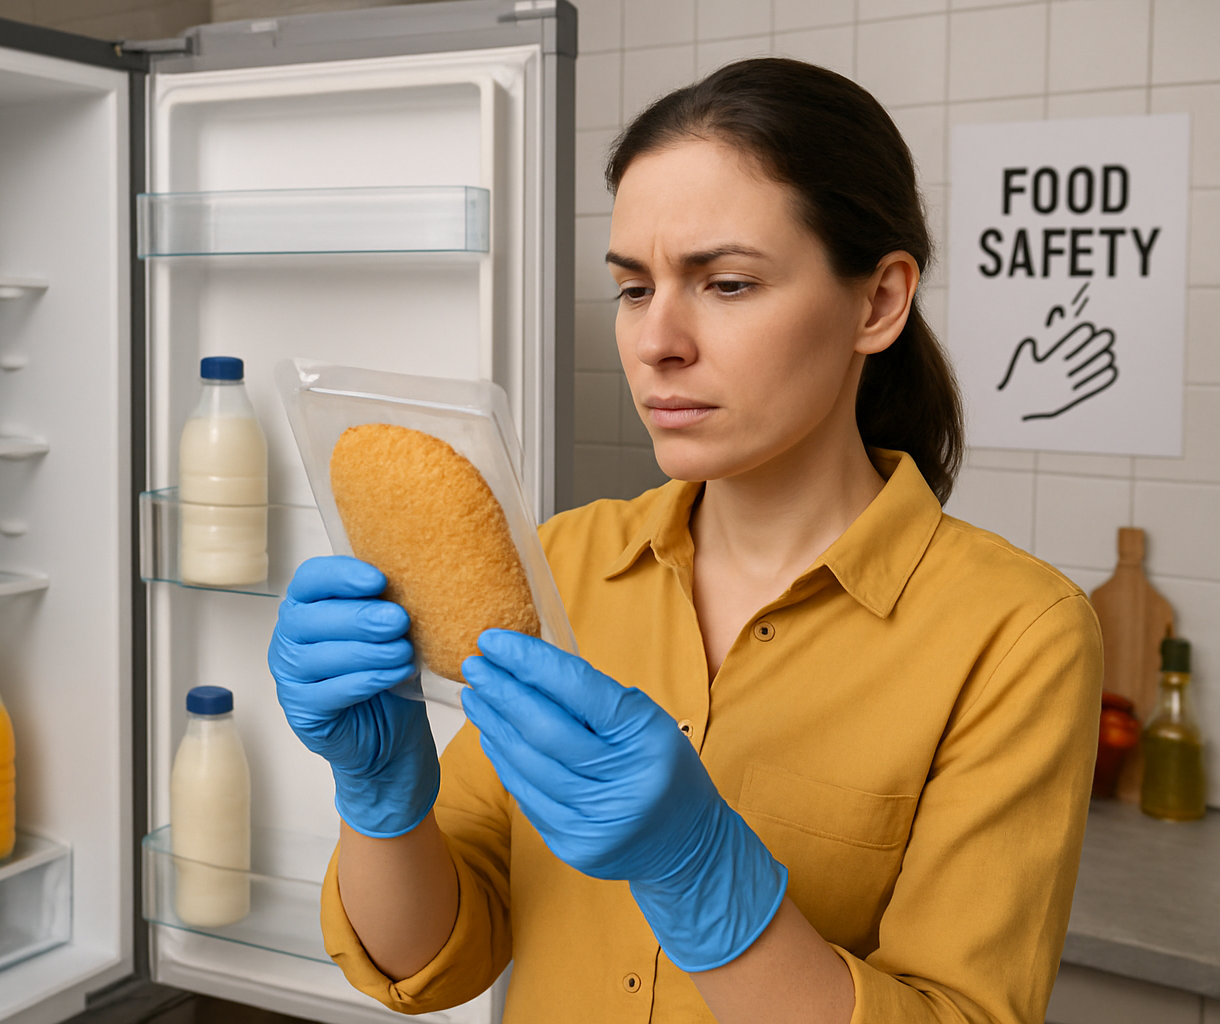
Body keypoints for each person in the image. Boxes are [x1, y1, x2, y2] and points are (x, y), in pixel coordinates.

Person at [269, 58, 1102, 1024]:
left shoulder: (1016, 635)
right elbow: (433, 959)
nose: (657, 340)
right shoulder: (561, 564)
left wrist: (702, 877)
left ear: (877, 303)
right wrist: (380, 801)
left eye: (729, 283)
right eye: (633, 289)